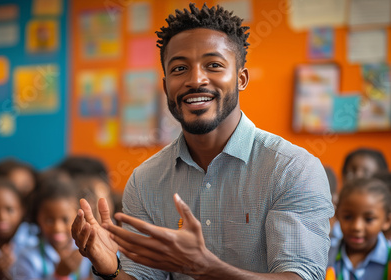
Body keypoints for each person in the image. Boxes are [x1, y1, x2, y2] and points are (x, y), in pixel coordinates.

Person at [71, 3, 333, 280]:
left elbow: (300, 277)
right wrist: (108, 269)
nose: (195, 80)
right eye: (180, 68)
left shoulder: (292, 169)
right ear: (165, 86)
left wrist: (208, 269)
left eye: (214, 65)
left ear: (241, 79)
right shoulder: (145, 181)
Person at [13, 171, 92, 280]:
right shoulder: (27, 258)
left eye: (65, 220)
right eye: (49, 220)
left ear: (79, 216)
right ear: (37, 218)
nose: (57, 228)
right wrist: (58, 275)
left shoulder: (88, 251)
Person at [325, 178, 391, 279]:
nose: (357, 227)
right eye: (348, 217)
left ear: (387, 221)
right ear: (337, 214)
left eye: (368, 219)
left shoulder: (388, 258)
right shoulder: (328, 255)